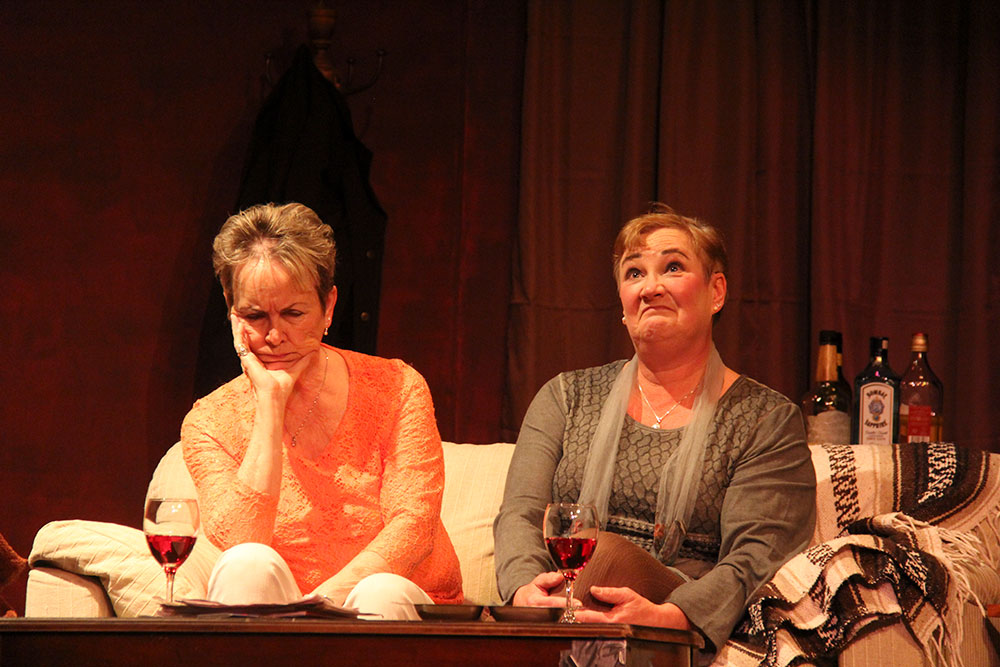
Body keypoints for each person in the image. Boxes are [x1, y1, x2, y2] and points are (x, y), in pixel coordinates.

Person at [493, 204, 815, 654]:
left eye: (673, 267)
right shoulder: (566, 397)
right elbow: (521, 514)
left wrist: (675, 616)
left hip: (673, 612)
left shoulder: (765, 419)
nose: (650, 287)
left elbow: (756, 555)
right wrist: (526, 591)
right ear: (623, 305)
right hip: (560, 607)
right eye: (634, 273)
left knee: (602, 554)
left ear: (716, 291)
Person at [181, 202, 462, 619]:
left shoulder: (398, 387)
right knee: (245, 564)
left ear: (328, 306)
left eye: (293, 313)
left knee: (378, 592)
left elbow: (413, 525)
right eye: (255, 316)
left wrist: (322, 605)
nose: (275, 336)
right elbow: (239, 541)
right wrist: (270, 403)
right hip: (282, 611)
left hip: (395, 597)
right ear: (231, 310)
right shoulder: (208, 422)